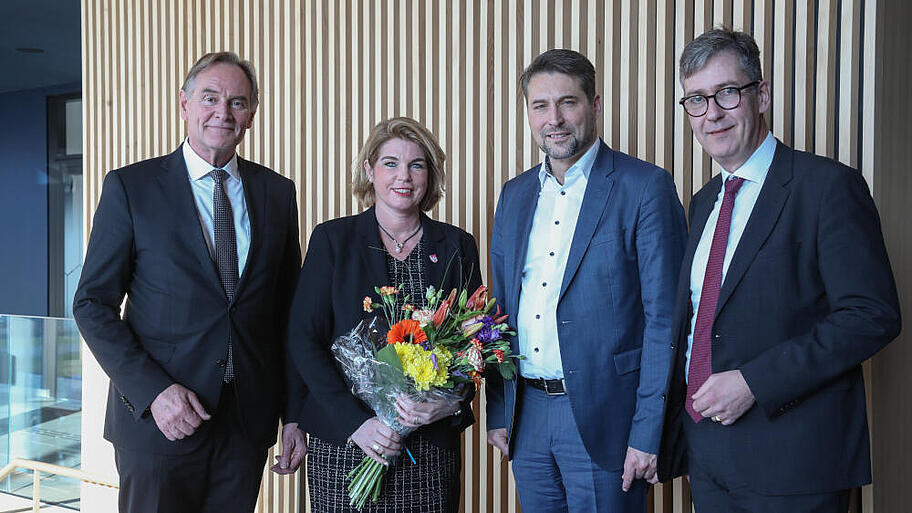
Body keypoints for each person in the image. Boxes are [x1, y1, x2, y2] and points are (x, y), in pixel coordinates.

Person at [656, 28, 901, 512]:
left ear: (761, 95)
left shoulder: (828, 187)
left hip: (795, 462)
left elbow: (871, 315)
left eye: (727, 92)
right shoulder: (703, 203)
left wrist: (754, 381)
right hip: (708, 457)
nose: (713, 114)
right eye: (697, 100)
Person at [73, 52, 306, 513]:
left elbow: (289, 315)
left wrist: (295, 414)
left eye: (238, 102)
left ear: (252, 115)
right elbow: (92, 304)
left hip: (245, 424)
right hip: (159, 423)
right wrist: (153, 392)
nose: (223, 111)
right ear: (184, 104)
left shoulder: (277, 193)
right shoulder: (131, 188)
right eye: (210, 98)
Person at [485, 49, 687, 512]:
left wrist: (647, 430)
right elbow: (499, 312)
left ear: (595, 104)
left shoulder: (644, 187)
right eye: (540, 106)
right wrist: (500, 408)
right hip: (527, 416)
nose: (553, 119)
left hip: (607, 418)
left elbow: (665, 321)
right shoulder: (514, 195)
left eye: (567, 102)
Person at [286, 116, 481, 512]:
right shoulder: (332, 240)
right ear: (368, 170)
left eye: (417, 164)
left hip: (429, 449)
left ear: (430, 174)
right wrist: (356, 424)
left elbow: (475, 344)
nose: (403, 176)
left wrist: (451, 402)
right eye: (390, 163)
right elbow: (303, 339)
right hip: (346, 443)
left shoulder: (457, 245)